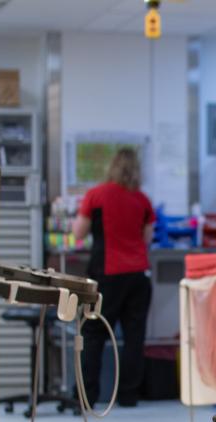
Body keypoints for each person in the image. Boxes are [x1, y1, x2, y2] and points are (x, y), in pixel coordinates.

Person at [72, 147, 155, 408]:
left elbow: (78, 232)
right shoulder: (142, 200)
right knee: (134, 338)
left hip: (107, 275)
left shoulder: (96, 195)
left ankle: (88, 396)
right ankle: (129, 396)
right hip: (138, 276)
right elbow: (147, 238)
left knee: (94, 333)